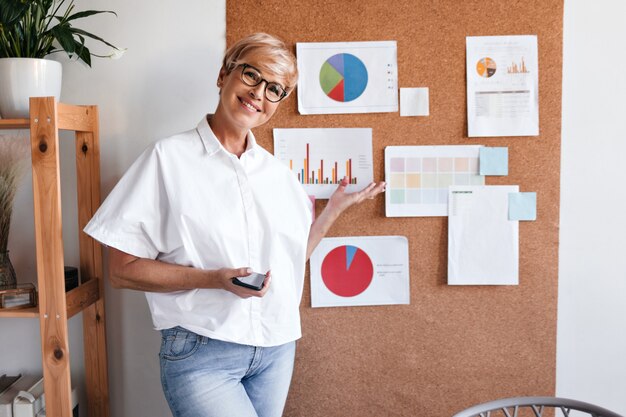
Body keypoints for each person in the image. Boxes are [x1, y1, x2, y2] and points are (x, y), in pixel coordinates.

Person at [84, 32, 385, 417]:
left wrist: (331, 214)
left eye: (274, 88)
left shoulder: (279, 176)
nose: (259, 93)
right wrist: (214, 279)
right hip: (203, 349)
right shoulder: (167, 159)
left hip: (276, 348)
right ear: (223, 75)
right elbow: (121, 271)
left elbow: (288, 262)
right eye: (251, 75)